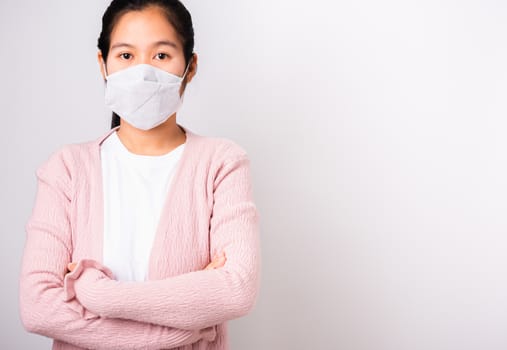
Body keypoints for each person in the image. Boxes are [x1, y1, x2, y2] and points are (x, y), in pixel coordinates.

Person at [18, 1, 260, 349]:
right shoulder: (67, 169)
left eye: (161, 56)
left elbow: (237, 290)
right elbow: (38, 307)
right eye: (126, 56)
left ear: (190, 68)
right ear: (103, 64)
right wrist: (177, 329)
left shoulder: (222, 163)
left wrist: (98, 295)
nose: (143, 72)